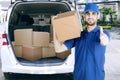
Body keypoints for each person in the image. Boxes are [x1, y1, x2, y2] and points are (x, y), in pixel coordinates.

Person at [53, 3, 110, 80]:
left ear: (97, 16)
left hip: (96, 77)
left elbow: (105, 41)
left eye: (93, 13)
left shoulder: (102, 33)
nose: (90, 16)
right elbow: (58, 49)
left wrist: (104, 40)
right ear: (84, 16)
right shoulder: (78, 35)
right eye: (87, 13)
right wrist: (54, 27)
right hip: (78, 77)